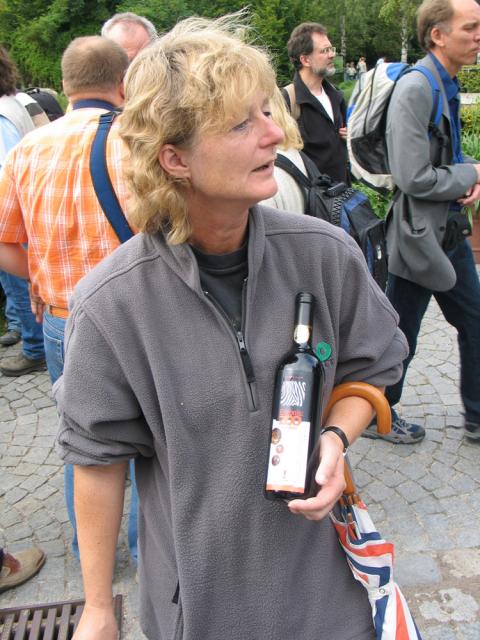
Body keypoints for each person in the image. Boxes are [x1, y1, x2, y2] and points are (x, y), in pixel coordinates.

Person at [54, 14, 408, 640]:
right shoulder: (112, 304)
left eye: (267, 112)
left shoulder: (324, 255)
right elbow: (98, 459)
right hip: (200, 608)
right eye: (242, 123)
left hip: (328, 598)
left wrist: (336, 434)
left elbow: (372, 364)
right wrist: (100, 609)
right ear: (174, 158)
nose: (275, 133)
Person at [0, 36, 138, 560]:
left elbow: (3, 241)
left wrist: (37, 276)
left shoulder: (27, 149)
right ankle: (153, 556)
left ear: (65, 86)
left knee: (83, 441)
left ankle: (91, 549)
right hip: (138, 313)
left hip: (64, 317)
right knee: (156, 437)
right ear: (122, 83)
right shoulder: (142, 142)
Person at [364, 0, 480, 444]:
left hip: (443, 234)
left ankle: (476, 416)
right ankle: (376, 414)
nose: (477, 36)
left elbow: (445, 159)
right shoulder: (418, 88)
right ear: (437, 35)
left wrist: (469, 170)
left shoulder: (443, 83)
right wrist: (470, 175)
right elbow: (413, 176)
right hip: (418, 238)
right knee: (399, 334)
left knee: (470, 321)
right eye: (469, 28)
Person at [0, 45, 46, 374]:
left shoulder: (2, 113)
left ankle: (34, 346)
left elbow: (5, 168)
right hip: (29, 205)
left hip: (16, 211)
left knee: (20, 278)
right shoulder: (13, 103)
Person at [285, 22, 349, 182]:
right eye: (324, 51)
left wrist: (350, 137)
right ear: (305, 60)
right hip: (310, 203)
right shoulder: (287, 100)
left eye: (331, 49)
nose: (332, 55)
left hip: (342, 197)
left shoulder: (337, 96)